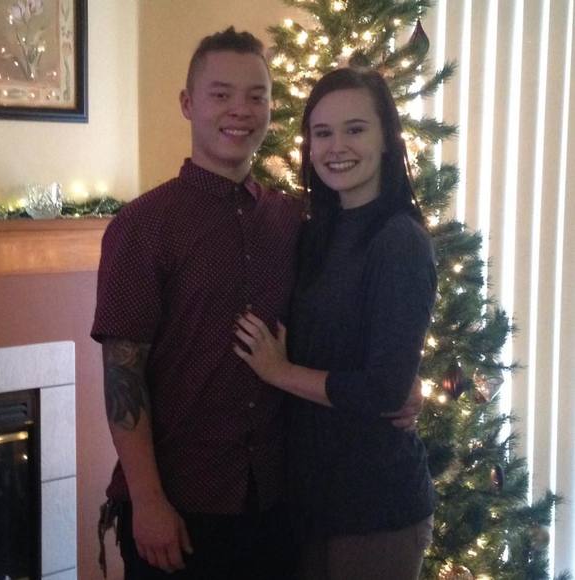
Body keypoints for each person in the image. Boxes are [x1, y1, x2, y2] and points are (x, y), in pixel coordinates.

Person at [92, 28, 421, 580]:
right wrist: (147, 501)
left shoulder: (294, 220)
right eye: (221, 94)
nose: (240, 110)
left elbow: (344, 319)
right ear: (188, 103)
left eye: (256, 96)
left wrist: (400, 382)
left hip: (275, 508)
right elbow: (122, 376)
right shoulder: (142, 226)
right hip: (179, 507)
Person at [234, 66, 436, 580]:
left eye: (355, 129)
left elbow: (383, 390)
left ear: (387, 138)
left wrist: (279, 373)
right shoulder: (316, 231)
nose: (336, 147)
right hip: (311, 503)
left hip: (376, 508)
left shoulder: (399, 240)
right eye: (322, 133)